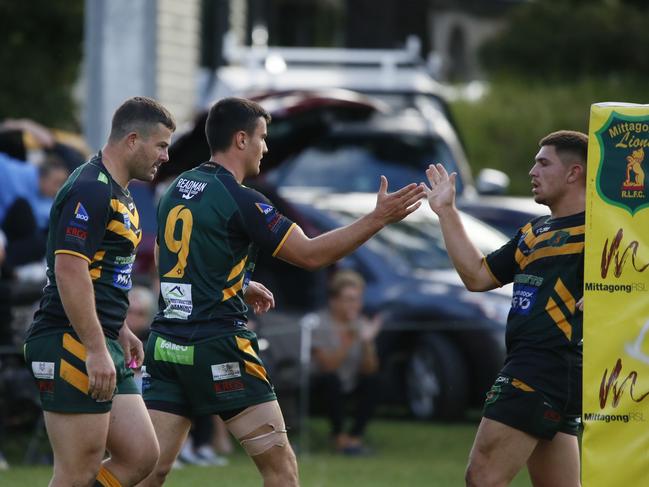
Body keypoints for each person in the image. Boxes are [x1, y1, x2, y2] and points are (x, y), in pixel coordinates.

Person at [139, 96, 424, 487]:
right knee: (282, 472)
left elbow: (168, 258)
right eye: (262, 137)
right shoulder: (243, 200)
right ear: (241, 140)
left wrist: (235, 282)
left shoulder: (175, 190)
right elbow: (310, 254)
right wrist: (378, 218)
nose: (266, 147)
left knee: (148, 472)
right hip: (218, 345)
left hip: (166, 345)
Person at [23, 96, 176, 487]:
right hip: (69, 339)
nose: (166, 156)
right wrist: (94, 347)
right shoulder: (91, 188)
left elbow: (102, 275)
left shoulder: (119, 192)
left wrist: (119, 328)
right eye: (160, 145)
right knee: (78, 471)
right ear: (132, 140)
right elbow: (70, 270)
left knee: (142, 454)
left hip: (100, 337)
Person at [422, 130, 586, 487]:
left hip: (541, 367)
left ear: (574, 173)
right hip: (552, 373)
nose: (532, 171)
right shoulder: (534, 232)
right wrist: (447, 212)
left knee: (483, 477)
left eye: (543, 163)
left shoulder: (600, 234)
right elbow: (478, 276)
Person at [310, 269, 382, 455]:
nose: (355, 305)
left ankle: (355, 437)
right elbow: (328, 366)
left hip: (351, 381)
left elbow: (370, 368)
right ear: (334, 301)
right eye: (349, 299)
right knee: (330, 380)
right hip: (320, 385)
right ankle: (339, 437)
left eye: (357, 299)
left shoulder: (361, 323)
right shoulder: (320, 323)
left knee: (373, 381)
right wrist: (349, 337)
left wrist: (367, 342)